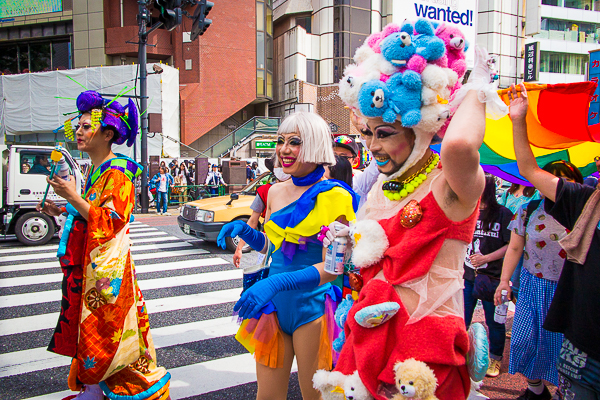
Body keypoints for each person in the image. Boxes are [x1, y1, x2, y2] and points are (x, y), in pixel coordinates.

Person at [314, 21, 505, 398]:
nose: (373, 146)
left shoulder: (450, 187)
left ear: (420, 129)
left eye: (384, 133)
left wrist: (476, 88)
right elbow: (362, 264)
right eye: (368, 133)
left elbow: (460, 148)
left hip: (422, 358)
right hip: (366, 347)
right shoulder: (380, 190)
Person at [36, 90, 170, 400]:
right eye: (78, 126)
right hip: (92, 267)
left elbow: (112, 223)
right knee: (91, 329)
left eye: (86, 126)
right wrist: (61, 208)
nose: (78, 131)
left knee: (108, 332)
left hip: (108, 272)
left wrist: (72, 197)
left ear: (107, 133)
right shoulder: (93, 170)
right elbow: (88, 214)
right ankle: (94, 389)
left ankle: (109, 390)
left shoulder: (118, 173)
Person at [217, 111, 358, 400]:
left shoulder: (337, 196)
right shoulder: (277, 191)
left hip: (314, 308)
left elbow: (335, 267)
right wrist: (246, 233)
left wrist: (277, 283)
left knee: (315, 395)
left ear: (316, 145)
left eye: (294, 142)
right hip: (273, 310)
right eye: (280, 141)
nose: (283, 150)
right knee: (267, 395)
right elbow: (274, 246)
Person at [509, 82, 600, 400]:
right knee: (526, 345)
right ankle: (536, 390)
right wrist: (518, 119)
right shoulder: (585, 201)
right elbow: (530, 170)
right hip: (581, 347)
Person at [495, 160, 583, 400]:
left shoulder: (584, 211)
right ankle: (536, 390)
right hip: (532, 287)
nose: (558, 185)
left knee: (564, 351)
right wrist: (504, 281)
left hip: (569, 292)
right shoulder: (529, 209)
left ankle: (562, 394)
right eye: (551, 179)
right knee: (524, 342)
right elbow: (514, 248)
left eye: (565, 179)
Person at [463, 174, 512, 378]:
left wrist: (487, 258)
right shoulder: (466, 212)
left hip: (493, 277)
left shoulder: (504, 214)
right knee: (462, 317)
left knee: (494, 322)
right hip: (467, 276)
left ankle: (495, 358)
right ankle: (460, 353)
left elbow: (512, 245)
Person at [233, 155, 289, 268]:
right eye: (279, 165)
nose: (283, 168)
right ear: (274, 169)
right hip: (269, 243)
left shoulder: (302, 188)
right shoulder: (264, 191)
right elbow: (253, 221)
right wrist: (239, 248)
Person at [498, 183, 540, 301]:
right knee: (504, 280)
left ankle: (519, 311)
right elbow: (498, 209)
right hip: (505, 241)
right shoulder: (508, 193)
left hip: (522, 245)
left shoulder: (535, 194)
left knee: (516, 283)